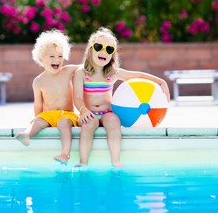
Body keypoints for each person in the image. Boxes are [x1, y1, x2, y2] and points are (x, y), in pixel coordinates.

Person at [73, 27, 170, 167]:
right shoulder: (81, 73)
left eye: (109, 49)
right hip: (87, 113)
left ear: (113, 54)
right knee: (89, 124)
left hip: (107, 112)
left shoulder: (113, 73)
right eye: (99, 47)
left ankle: (115, 161)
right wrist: (83, 110)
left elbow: (138, 75)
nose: (103, 52)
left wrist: (161, 82)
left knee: (114, 122)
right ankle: (83, 162)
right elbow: (77, 97)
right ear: (90, 49)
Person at [16, 29, 79, 165]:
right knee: (37, 121)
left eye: (60, 56)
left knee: (63, 124)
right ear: (41, 58)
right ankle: (27, 135)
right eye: (51, 56)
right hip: (48, 115)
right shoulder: (38, 81)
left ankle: (65, 153)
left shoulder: (68, 71)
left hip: (67, 114)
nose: (57, 60)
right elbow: (38, 105)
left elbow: (86, 67)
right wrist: (38, 119)